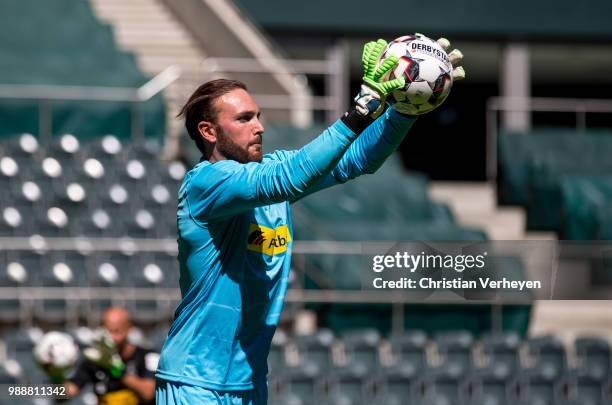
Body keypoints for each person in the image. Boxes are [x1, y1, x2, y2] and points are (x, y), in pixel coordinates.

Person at [155, 38, 464, 404]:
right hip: (194, 381)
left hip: (248, 382)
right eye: (243, 119)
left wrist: (404, 111)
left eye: (258, 116)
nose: (259, 127)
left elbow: (357, 160)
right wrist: (361, 110)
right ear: (209, 132)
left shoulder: (271, 169)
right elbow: (288, 179)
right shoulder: (206, 182)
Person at [43, 307, 158, 405]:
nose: (111, 338)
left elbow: (148, 392)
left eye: (116, 331)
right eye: (107, 331)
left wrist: (117, 370)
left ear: (129, 330)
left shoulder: (147, 356)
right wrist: (56, 373)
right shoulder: (96, 361)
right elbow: (66, 393)